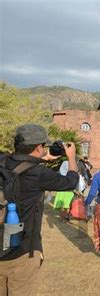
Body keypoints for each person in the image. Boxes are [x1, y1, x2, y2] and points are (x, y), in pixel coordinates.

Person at [0, 124, 79, 295]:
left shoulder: (3, 161)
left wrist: (45, 157)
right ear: (38, 147)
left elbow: (20, 164)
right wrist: (71, 157)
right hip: (21, 252)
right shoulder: (38, 173)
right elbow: (71, 181)